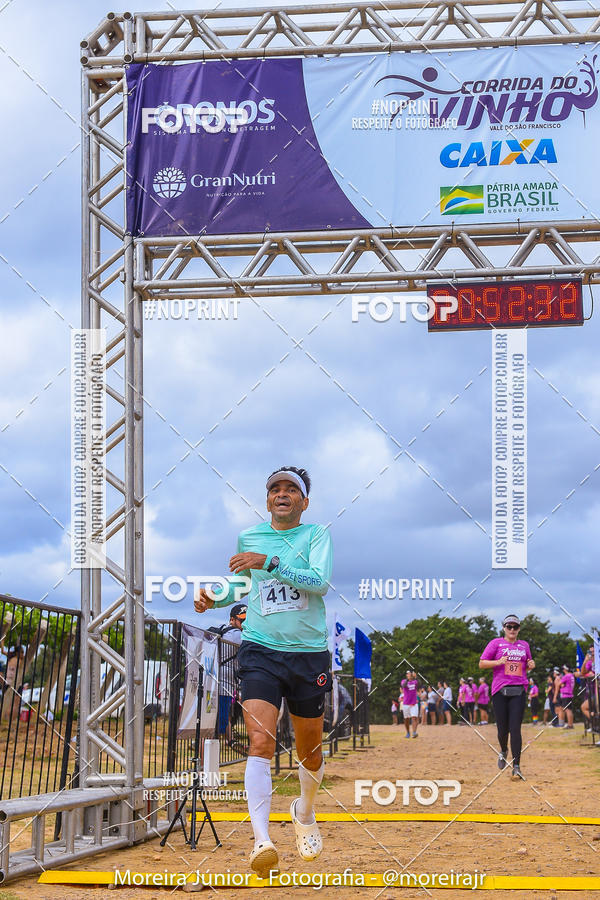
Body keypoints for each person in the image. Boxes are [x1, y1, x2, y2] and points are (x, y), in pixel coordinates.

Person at [194, 466, 332, 878]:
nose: (282, 494)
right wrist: (214, 597)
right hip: (260, 648)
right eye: (275, 488)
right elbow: (244, 585)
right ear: (268, 499)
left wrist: (269, 561)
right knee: (260, 741)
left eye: (291, 489)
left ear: (304, 501)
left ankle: (304, 812)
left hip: (307, 652)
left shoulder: (316, 535)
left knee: (310, 751)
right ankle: (261, 840)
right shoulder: (250, 537)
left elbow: (319, 582)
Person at [479, 614, 535, 781]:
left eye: (515, 627)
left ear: (519, 629)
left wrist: (531, 665)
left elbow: (527, 665)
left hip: (519, 689)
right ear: (504, 628)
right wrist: (498, 662)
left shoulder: (524, 645)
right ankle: (503, 750)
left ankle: (516, 766)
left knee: (515, 728)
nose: (512, 629)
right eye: (509, 626)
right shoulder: (496, 643)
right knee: (503, 730)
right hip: (500, 691)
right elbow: (482, 663)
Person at [208, 604, 248, 742]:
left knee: (214, 717)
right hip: (225, 684)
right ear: (232, 619)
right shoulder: (238, 635)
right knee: (220, 720)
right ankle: (209, 748)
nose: (245, 624)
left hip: (213, 679)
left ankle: (229, 741)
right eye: (242, 620)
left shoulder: (222, 629)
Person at [576, 647, 596, 731]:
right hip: (592, 691)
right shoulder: (590, 662)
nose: (591, 653)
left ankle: (595, 725)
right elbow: (582, 672)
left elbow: (585, 674)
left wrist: (587, 675)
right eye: (590, 652)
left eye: (593, 651)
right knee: (587, 708)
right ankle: (595, 725)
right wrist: (585, 661)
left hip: (596, 691)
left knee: (587, 708)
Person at [400, 670, 419, 738]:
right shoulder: (404, 681)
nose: (409, 675)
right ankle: (408, 732)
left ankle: (414, 732)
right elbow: (403, 685)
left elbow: (419, 684)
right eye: (407, 674)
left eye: (410, 674)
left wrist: (416, 677)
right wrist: (408, 679)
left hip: (414, 703)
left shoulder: (415, 681)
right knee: (406, 719)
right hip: (406, 703)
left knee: (414, 717)